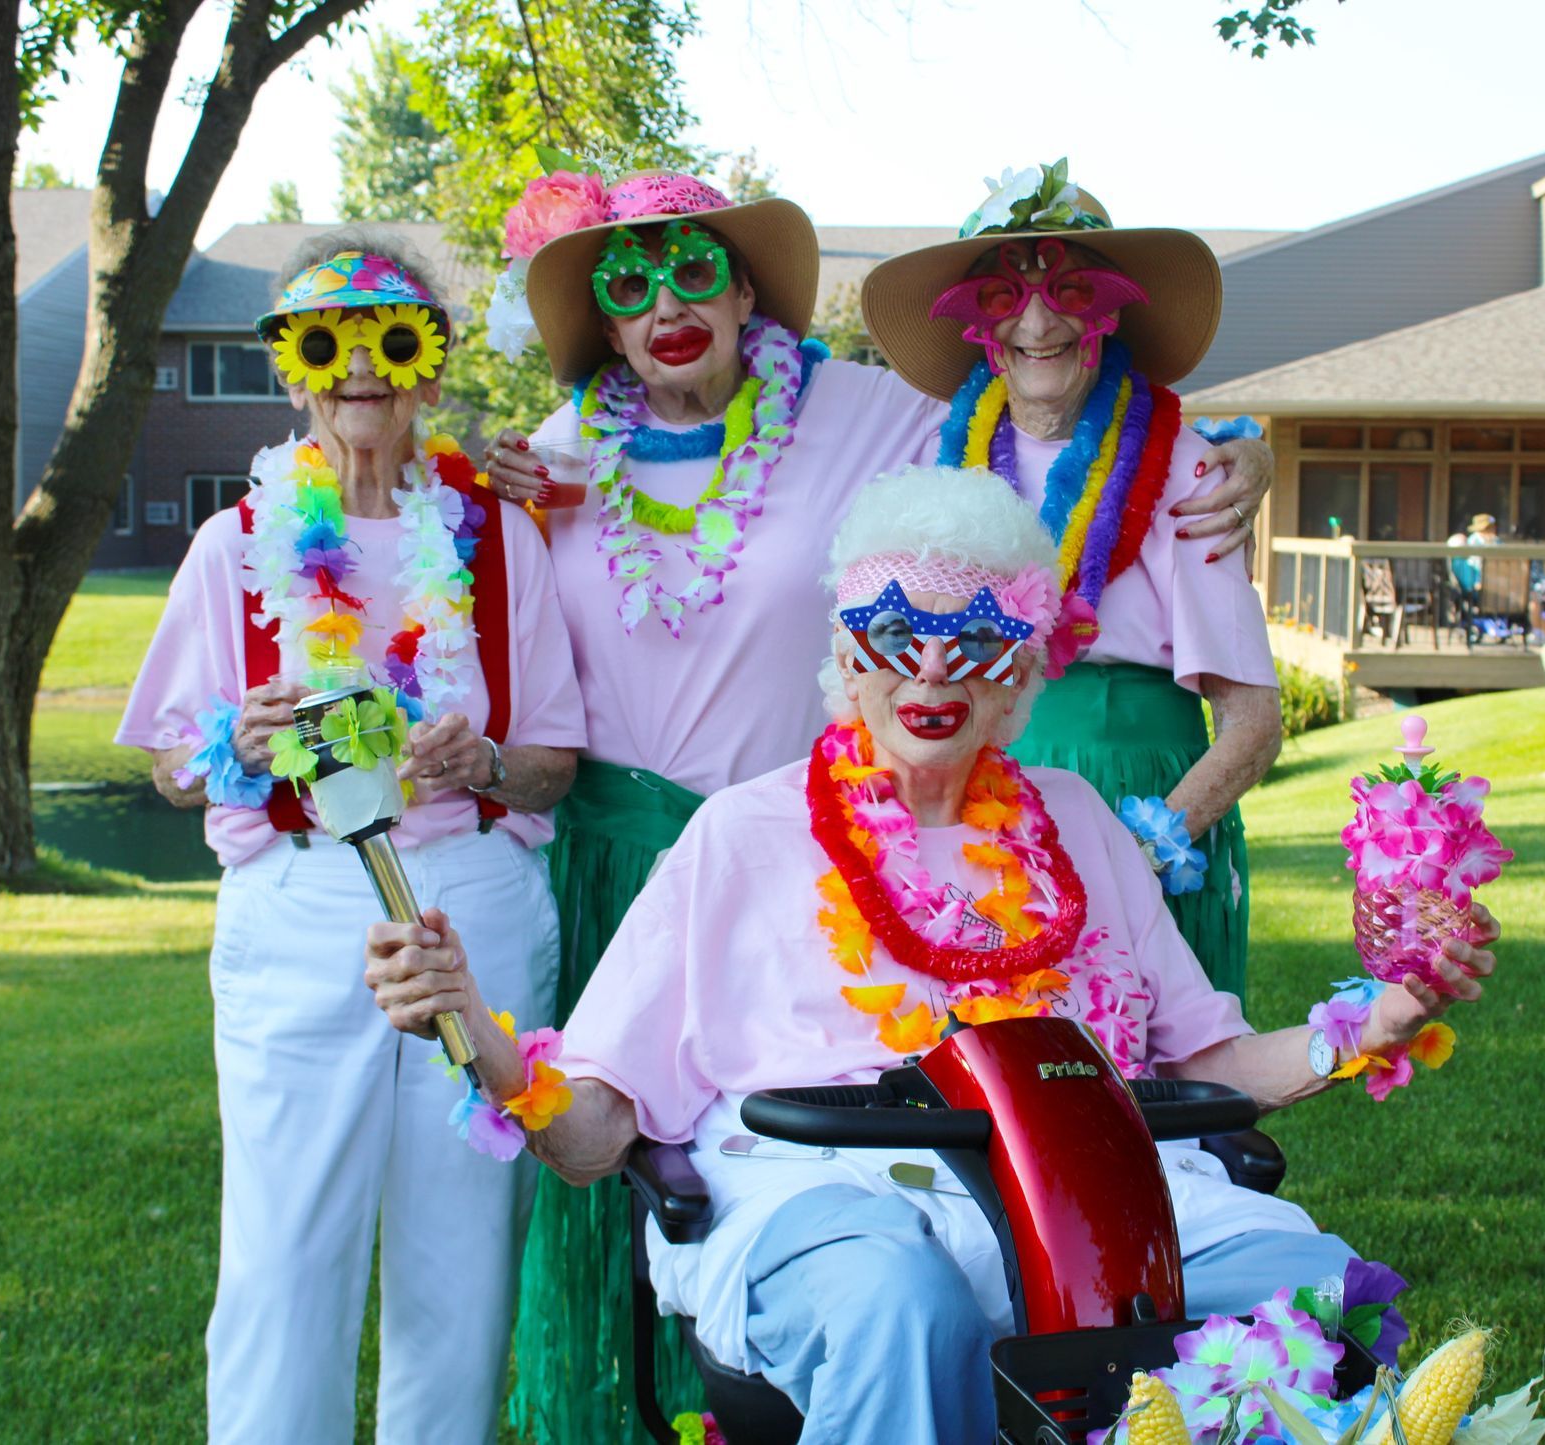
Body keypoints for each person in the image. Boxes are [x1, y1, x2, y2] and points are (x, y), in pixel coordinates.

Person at [363, 466, 1500, 1445]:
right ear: (847, 659)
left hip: (1097, 1189)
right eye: (897, 634)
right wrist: (480, 1034)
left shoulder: (1083, 825)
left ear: (1021, 670)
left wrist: (1374, 1021)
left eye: (979, 639)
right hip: (828, 1187)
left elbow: (1212, 1063)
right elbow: (599, 1127)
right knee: (903, 1298)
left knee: (1302, 1292)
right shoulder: (743, 831)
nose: (934, 670)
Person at [476, 165, 1277, 1437]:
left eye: (695, 266)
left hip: (936, 823)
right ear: (601, 317)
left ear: (747, 289)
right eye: (628, 280)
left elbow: (1038, 420)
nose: (666, 300)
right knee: (683, 1143)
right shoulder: (549, 457)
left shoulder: (872, 413)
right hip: (672, 850)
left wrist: (1234, 445)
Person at [115, 226, 587, 1444]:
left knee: (461, 1247)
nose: (359, 370)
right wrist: (233, 736)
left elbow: (552, 765)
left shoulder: (497, 542)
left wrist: (479, 760)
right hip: (302, 902)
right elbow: (172, 763)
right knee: (284, 1246)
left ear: (427, 362)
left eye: (391, 338)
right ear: (292, 368)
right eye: (327, 343)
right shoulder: (236, 546)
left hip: (471, 899)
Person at [862, 163, 1280, 1003]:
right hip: (971, 812)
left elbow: (1252, 722)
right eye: (1005, 296)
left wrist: (1143, 848)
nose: (1038, 320)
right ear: (976, 326)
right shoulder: (938, 464)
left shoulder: (1188, 468)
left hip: (1141, 798)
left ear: (1113, 310)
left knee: (1150, 1099)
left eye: (1069, 289)